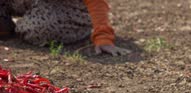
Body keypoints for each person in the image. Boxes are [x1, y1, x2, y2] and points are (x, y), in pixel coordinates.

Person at [0, 0, 130, 56]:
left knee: (37, 30)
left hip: (71, 9)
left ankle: (78, 28)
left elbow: (97, 3)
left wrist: (103, 37)